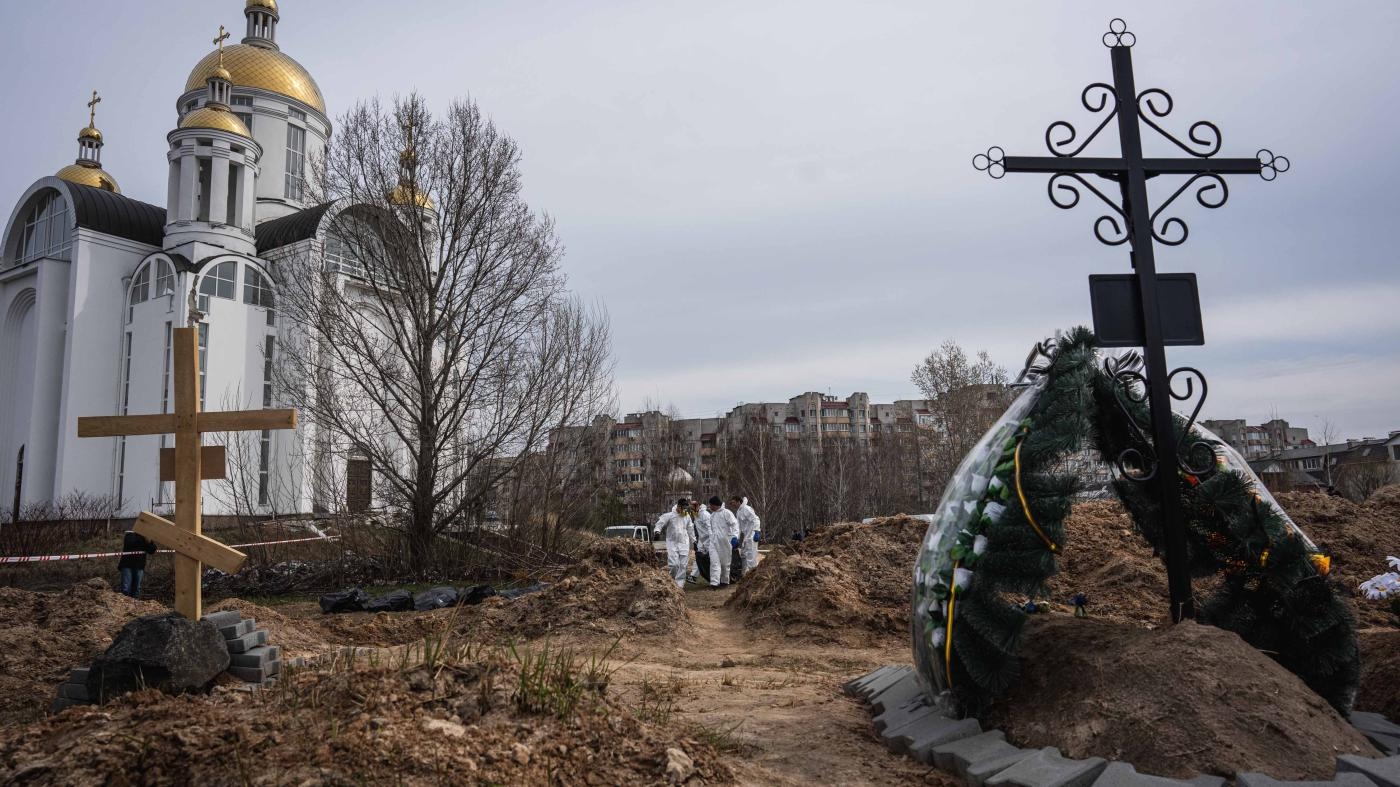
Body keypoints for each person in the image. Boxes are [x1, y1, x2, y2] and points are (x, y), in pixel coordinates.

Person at [653, 498, 694, 589]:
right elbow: (660, 523)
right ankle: (672, 580)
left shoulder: (686, 516)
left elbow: (690, 529)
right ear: (678, 506)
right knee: (674, 564)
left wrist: (694, 540)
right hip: (672, 543)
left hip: (684, 542)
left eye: (685, 508)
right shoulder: (670, 515)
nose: (684, 510)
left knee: (683, 565)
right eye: (682, 508)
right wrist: (657, 532)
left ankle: (679, 586)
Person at [707, 496, 739, 587]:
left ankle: (724, 581)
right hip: (714, 542)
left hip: (725, 542)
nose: (710, 507)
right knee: (714, 562)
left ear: (715, 505)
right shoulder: (712, 516)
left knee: (725, 564)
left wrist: (735, 537)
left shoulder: (727, 513)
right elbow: (711, 529)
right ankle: (714, 583)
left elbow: (734, 524)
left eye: (711, 505)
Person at [117, 529, 157, 598]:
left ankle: (135, 606)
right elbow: (130, 543)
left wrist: (149, 542)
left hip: (139, 565)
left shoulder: (146, 537)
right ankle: (125, 606)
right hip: (127, 565)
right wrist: (144, 539)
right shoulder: (130, 534)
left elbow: (152, 550)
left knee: (136, 589)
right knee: (126, 589)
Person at [736, 496, 762, 575]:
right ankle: (743, 573)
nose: (732, 504)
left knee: (751, 555)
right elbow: (739, 527)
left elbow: (756, 519)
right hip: (746, 535)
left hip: (752, 534)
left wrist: (757, 531)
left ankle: (754, 574)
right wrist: (737, 538)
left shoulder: (746, 509)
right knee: (743, 554)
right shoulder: (739, 512)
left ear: (738, 502)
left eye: (733, 502)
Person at [690, 499, 712, 583]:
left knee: (712, 558)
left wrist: (712, 540)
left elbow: (710, 527)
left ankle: (714, 576)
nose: (691, 511)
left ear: (697, 506)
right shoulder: (696, 514)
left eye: (692, 508)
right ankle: (693, 576)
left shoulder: (705, 515)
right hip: (702, 540)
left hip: (709, 539)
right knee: (698, 557)